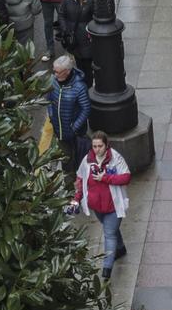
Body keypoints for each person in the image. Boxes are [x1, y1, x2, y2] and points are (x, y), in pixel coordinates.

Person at [67, 131, 131, 280]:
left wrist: (106, 178)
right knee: (112, 229)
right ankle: (120, 249)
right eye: (94, 146)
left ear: (106, 145)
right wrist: (76, 200)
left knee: (108, 234)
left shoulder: (115, 158)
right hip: (97, 207)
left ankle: (107, 269)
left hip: (113, 206)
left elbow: (126, 177)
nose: (97, 149)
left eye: (100, 146)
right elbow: (81, 181)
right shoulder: (87, 160)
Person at [46, 54, 90, 188]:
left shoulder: (79, 86)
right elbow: (48, 100)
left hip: (76, 134)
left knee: (80, 161)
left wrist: (74, 127)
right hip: (60, 132)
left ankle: (85, 186)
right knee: (66, 162)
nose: (55, 74)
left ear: (67, 72)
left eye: (58, 72)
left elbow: (86, 108)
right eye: (54, 71)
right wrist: (52, 116)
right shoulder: (53, 81)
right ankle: (70, 190)